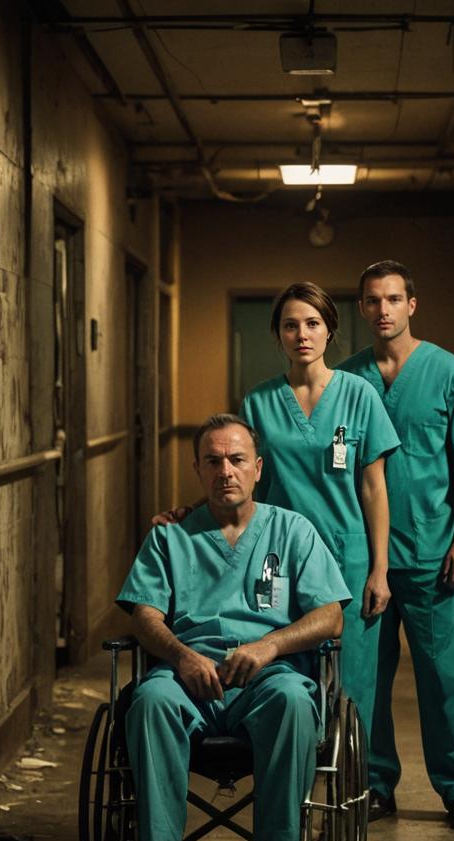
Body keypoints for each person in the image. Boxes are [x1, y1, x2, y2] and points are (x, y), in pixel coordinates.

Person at [117, 413, 350, 841]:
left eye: (238, 459)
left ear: (258, 468)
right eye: (214, 461)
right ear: (197, 469)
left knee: (294, 700)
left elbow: (330, 617)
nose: (227, 471)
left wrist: (269, 647)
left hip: (266, 678)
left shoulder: (293, 532)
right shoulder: (169, 537)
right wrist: (181, 655)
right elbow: (143, 614)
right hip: (186, 679)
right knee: (148, 700)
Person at [158, 282, 400, 745]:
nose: (302, 335)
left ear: (330, 330)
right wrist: (193, 510)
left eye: (312, 324)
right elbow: (247, 478)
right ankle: (299, 784)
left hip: (347, 558)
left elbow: (374, 486)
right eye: (291, 326)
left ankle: (359, 790)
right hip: (279, 560)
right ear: (278, 336)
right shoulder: (259, 402)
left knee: (354, 685)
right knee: (289, 672)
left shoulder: (359, 396)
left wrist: (380, 568)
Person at [337, 260, 454, 831]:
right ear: (361, 309)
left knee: (444, 676)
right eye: (373, 300)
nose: (384, 310)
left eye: (394, 299)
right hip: (363, 561)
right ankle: (375, 783)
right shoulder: (346, 380)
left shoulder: (449, 372)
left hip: (434, 557)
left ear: (412, 304)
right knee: (363, 681)